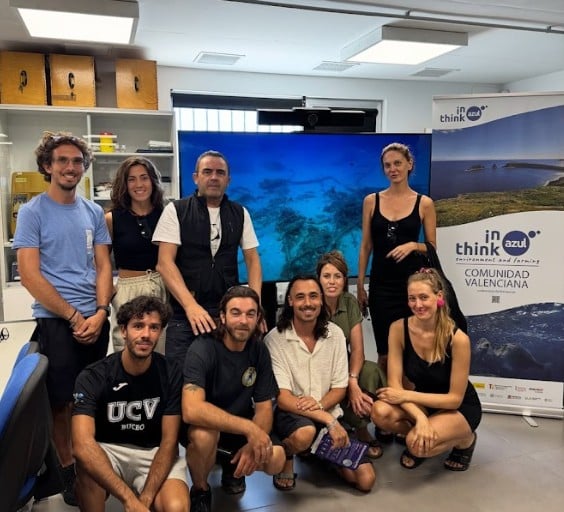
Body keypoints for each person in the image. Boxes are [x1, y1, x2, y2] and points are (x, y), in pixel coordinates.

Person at [13, 131, 113, 506]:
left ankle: (89, 463)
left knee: (89, 398)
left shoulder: (92, 212)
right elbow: (29, 274)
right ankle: (67, 471)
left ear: (84, 167)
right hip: (57, 321)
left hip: (94, 319)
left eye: (77, 161)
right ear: (47, 166)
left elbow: (104, 265)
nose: (70, 167)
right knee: (60, 402)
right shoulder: (32, 212)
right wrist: (72, 315)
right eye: (62, 161)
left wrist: (101, 312)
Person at [71, 296, 189, 511]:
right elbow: (81, 444)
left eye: (154, 327)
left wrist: (145, 499)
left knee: (176, 507)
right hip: (109, 450)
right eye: (138, 326)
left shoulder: (171, 373)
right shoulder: (93, 376)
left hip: (153, 452)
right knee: (86, 465)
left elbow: (169, 442)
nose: (146, 334)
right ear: (124, 330)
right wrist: (130, 500)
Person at [264, 275, 376, 493]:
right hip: (293, 415)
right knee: (304, 434)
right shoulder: (274, 339)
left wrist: (320, 407)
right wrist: (328, 420)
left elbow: (339, 388)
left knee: (365, 480)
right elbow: (284, 399)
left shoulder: (335, 334)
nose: (308, 303)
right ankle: (288, 453)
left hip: (327, 409)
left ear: (322, 299)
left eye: (313, 296)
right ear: (290, 301)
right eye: (300, 297)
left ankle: (319, 453)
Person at [153, 149, 262, 364]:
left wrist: (254, 306)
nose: (214, 177)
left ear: (228, 180)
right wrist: (190, 306)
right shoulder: (176, 210)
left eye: (220, 173)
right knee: (180, 375)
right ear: (196, 177)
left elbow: (253, 260)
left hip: (226, 311)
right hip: (184, 313)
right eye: (207, 171)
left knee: (225, 373)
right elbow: (164, 264)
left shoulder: (240, 213)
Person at [182, 286, 285, 512]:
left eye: (250, 314)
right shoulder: (202, 348)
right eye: (236, 313)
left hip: (239, 428)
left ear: (258, 318)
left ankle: (234, 469)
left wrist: (252, 444)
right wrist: (249, 428)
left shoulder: (259, 350)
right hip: (207, 426)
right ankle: (200, 490)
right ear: (223, 316)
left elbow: (264, 408)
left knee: (276, 458)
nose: (243, 321)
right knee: (203, 437)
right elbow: (191, 409)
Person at [370, 268, 481, 471]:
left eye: (423, 297)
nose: (418, 305)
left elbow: (454, 399)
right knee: (380, 412)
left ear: (439, 297)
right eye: (412, 298)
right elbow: (394, 384)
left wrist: (406, 396)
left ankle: (465, 440)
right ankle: (425, 431)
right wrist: (420, 417)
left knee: (415, 445)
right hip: (423, 403)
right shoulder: (398, 328)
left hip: (458, 407)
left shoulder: (458, 339)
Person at [357, 142, 437, 374]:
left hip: (411, 288)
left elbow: (432, 247)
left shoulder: (424, 203)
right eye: (387, 165)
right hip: (381, 287)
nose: (393, 169)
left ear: (409, 164)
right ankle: (387, 394)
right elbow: (366, 246)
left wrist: (413, 245)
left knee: (410, 351)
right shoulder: (371, 201)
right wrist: (361, 284)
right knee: (384, 352)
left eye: (398, 163)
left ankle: (407, 394)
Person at [316, 250, 386, 459]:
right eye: (326, 276)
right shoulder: (312, 304)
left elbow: (357, 349)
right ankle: (336, 426)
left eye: (337, 276)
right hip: (319, 369)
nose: (332, 281)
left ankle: (362, 427)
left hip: (345, 364)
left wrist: (352, 380)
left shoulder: (349, 301)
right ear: (318, 279)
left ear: (345, 280)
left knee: (371, 371)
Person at [105, 156, 167, 353]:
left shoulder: (167, 215)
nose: (139, 184)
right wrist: (111, 292)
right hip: (128, 290)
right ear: (124, 184)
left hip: (162, 288)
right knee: (127, 350)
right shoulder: (111, 219)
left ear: (153, 181)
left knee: (161, 352)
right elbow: (99, 262)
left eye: (144, 177)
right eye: (131, 179)